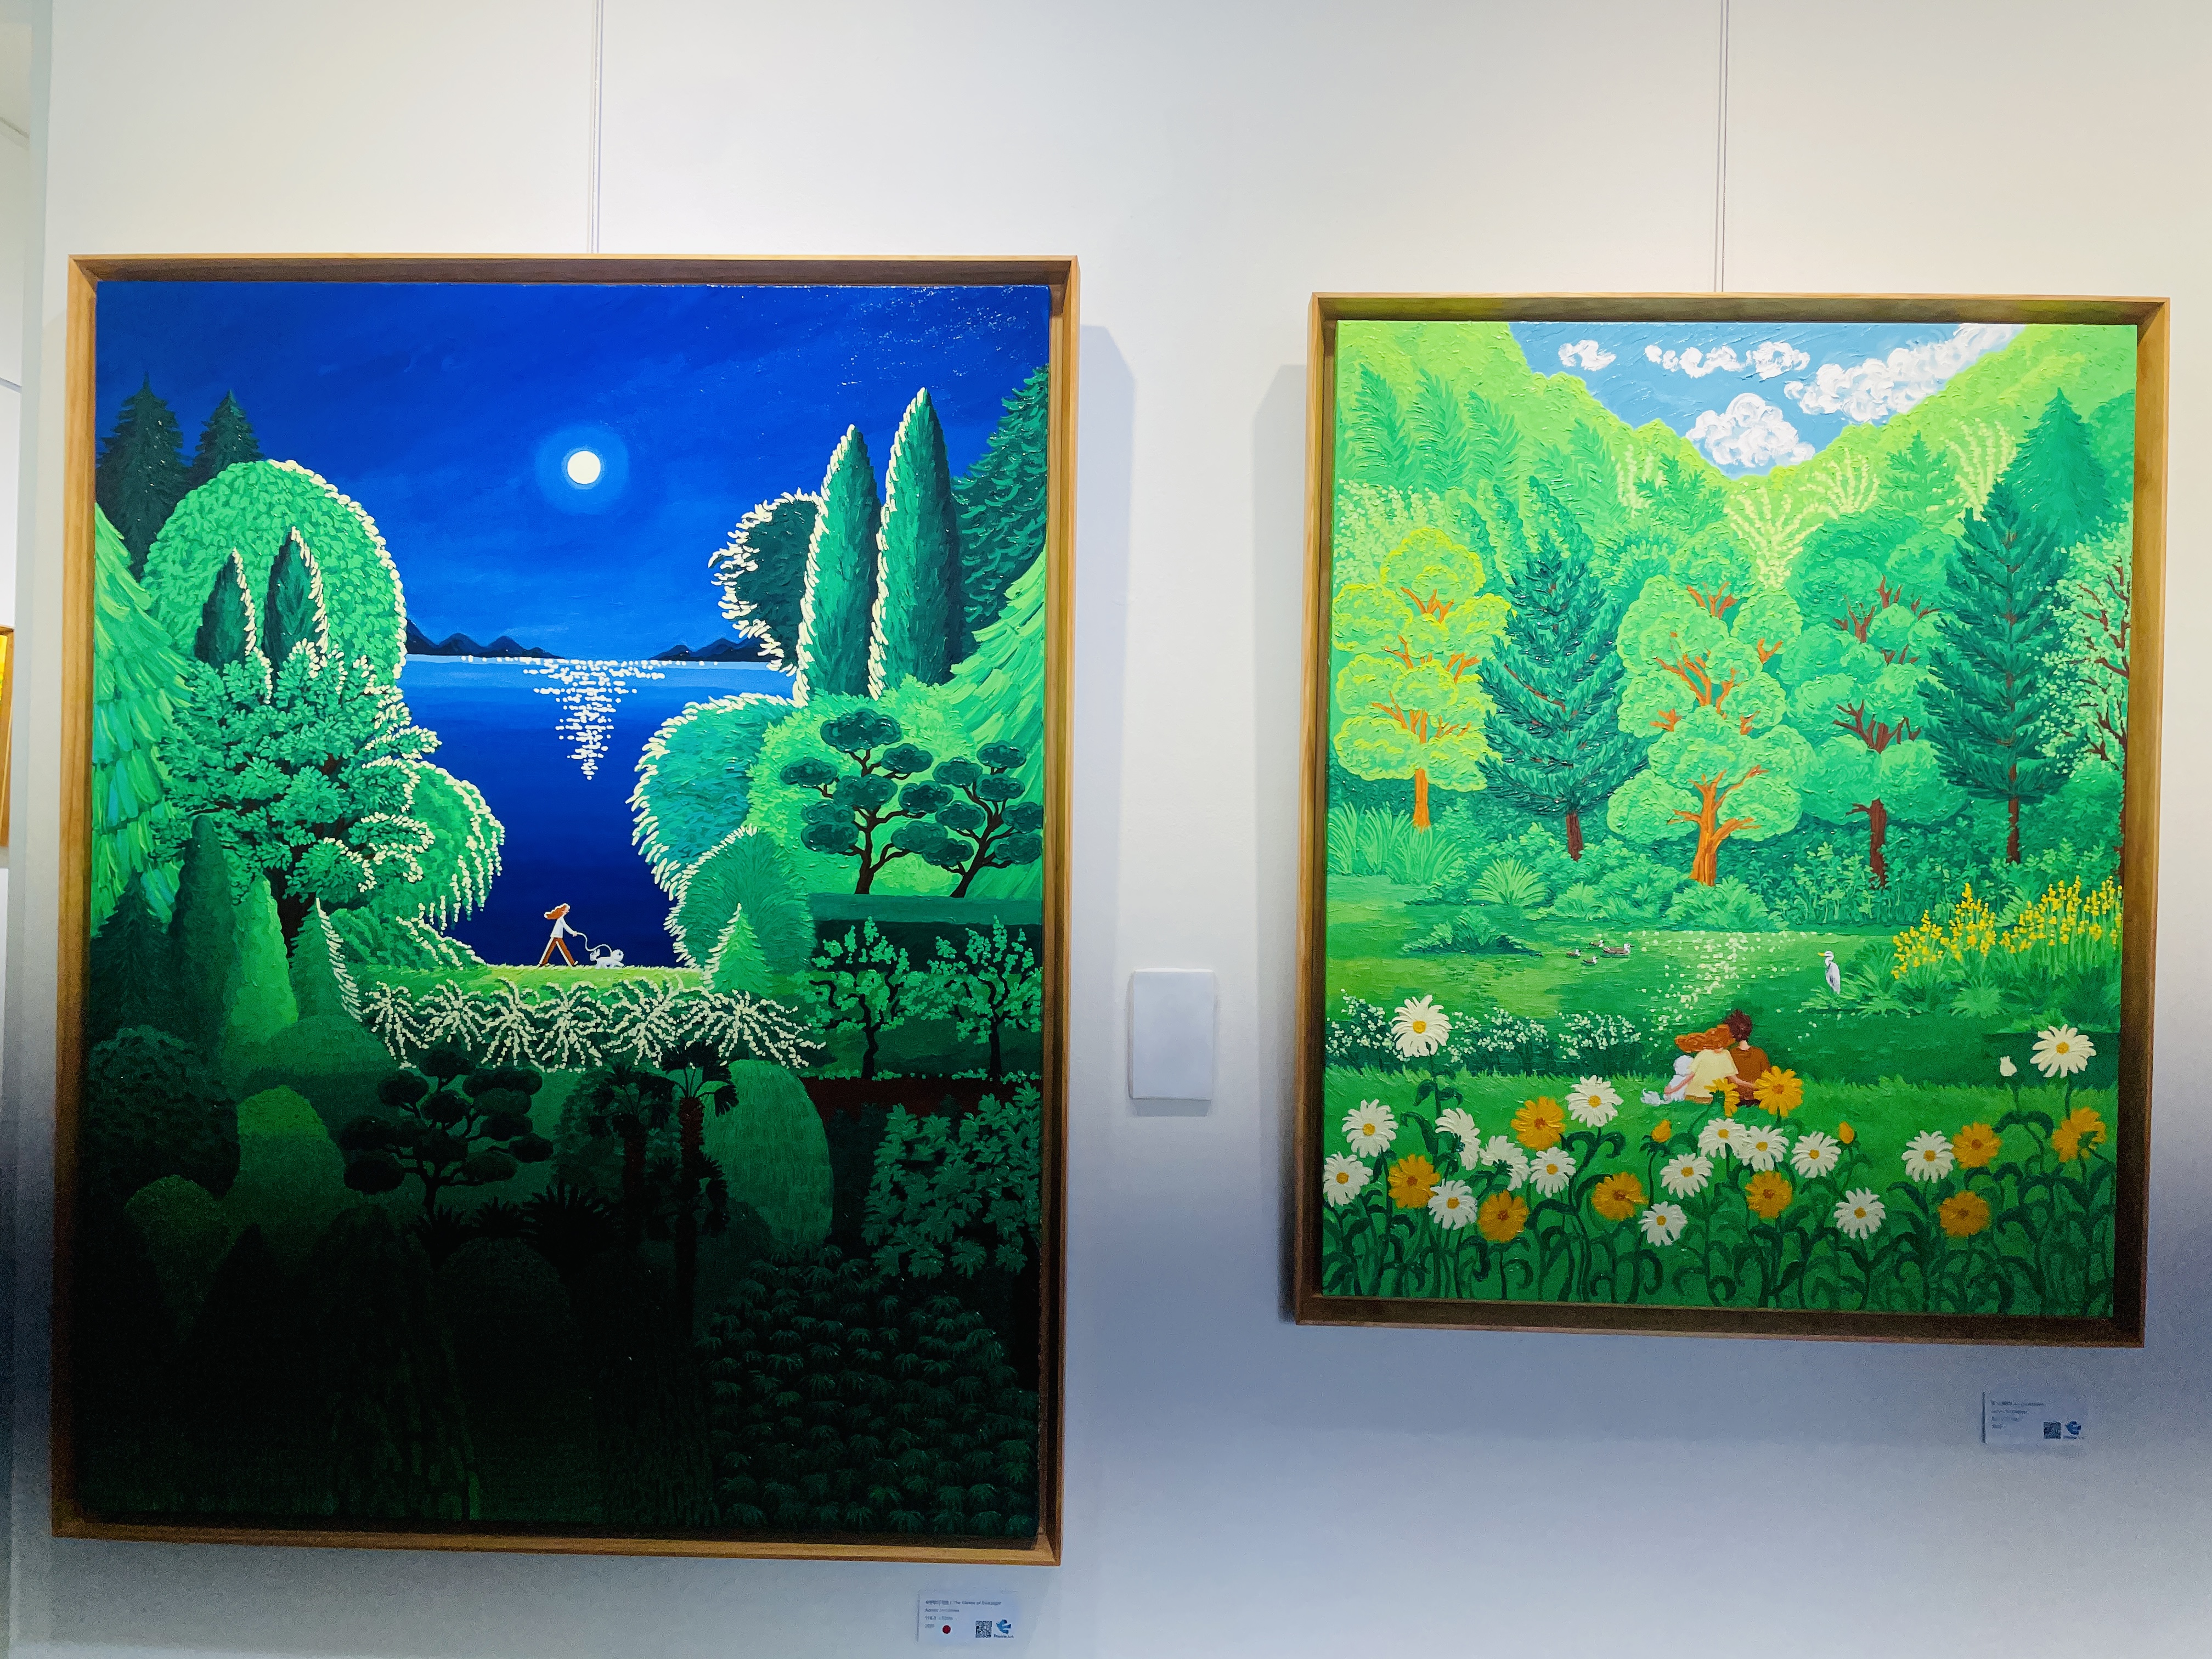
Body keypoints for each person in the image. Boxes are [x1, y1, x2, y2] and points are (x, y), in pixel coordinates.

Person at [538, 902, 582, 967]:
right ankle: (572, 963)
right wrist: (573, 933)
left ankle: (543, 962)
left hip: (557, 936)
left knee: (551, 949)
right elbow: (566, 926)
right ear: (563, 910)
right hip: (557, 936)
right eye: (567, 910)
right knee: (564, 950)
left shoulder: (561, 918)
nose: (568, 911)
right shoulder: (561, 918)